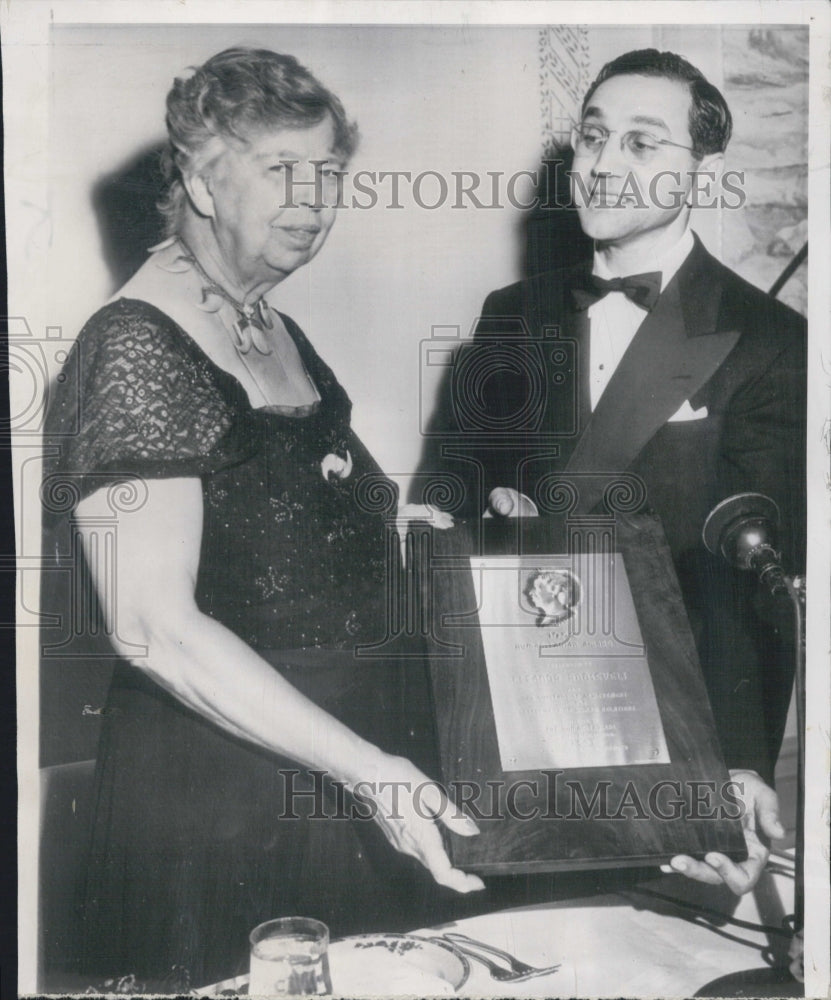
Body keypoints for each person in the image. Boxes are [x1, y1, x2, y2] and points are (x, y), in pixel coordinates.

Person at [41, 47, 484, 987]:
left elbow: (300, 534)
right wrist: (370, 771)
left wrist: (435, 545)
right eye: (282, 169)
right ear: (201, 183)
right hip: (212, 800)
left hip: (339, 780)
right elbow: (151, 627)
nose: (314, 197)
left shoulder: (277, 330)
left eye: (328, 172)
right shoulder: (132, 346)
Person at [453, 49, 805, 894]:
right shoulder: (510, 316)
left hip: (676, 747)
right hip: (521, 730)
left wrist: (741, 765)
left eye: (643, 145)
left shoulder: (770, 342)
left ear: (700, 174)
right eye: (593, 137)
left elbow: (750, 583)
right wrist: (494, 520)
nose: (605, 168)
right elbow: (473, 501)